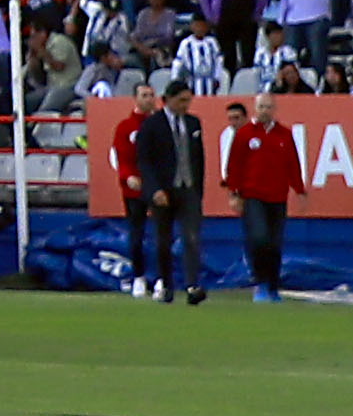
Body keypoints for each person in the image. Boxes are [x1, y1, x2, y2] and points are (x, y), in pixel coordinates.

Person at [119, 78, 204, 304]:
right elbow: (144, 161)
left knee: (191, 237)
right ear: (169, 100)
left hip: (188, 188)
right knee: (163, 241)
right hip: (163, 190)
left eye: (188, 101)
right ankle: (166, 284)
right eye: (181, 101)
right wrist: (154, 189)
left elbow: (198, 159)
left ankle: (192, 285)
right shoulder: (151, 125)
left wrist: (198, 189)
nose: (185, 105)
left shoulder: (193, 123)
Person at [221, 96, 300, 305]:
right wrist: (234, 193)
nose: (265, 110)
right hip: (253, 195)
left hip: (278, 196)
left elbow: (293, 162)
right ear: (255, 109)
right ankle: (260, 282)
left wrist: (299, 188)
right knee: (259, 237)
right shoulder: (245, 134)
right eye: (261, 107)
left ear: (274, 109)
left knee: (275, 243)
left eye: (268, 107)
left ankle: (273, 286)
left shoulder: (284, 134)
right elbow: (234, 165)